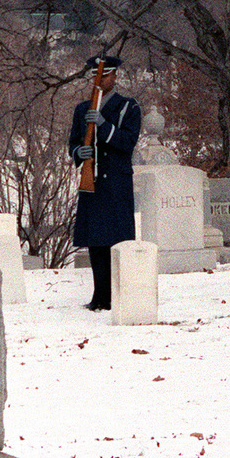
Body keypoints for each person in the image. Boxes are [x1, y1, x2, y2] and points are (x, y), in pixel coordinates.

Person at [69, 56, 141, 311]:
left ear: (114, 77)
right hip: (93, 182)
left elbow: (126, 142)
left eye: (104, 75)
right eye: (95, 76)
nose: (99, 80)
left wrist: (103, 124)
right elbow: (73, 144)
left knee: (117, 241)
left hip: (116, 183)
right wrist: (81, 153)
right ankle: (100, 294)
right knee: (96, 242)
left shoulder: (128, 107)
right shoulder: (82, 109)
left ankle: (117, 293)